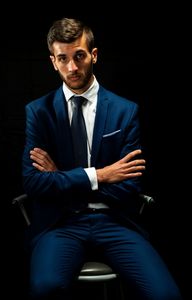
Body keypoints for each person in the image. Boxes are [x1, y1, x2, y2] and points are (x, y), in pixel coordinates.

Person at [22, 17, 182, 299]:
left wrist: (61, 176)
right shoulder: (39, 112)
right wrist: (102, 174)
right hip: (61, 224)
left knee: (165, 295)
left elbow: (129, 187)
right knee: (45, 288)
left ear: (93, 55)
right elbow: (34, 184)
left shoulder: (125, 111)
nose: (72, 67)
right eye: (63, 58)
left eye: (79, 56)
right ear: (53, 61)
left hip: (115, 221)